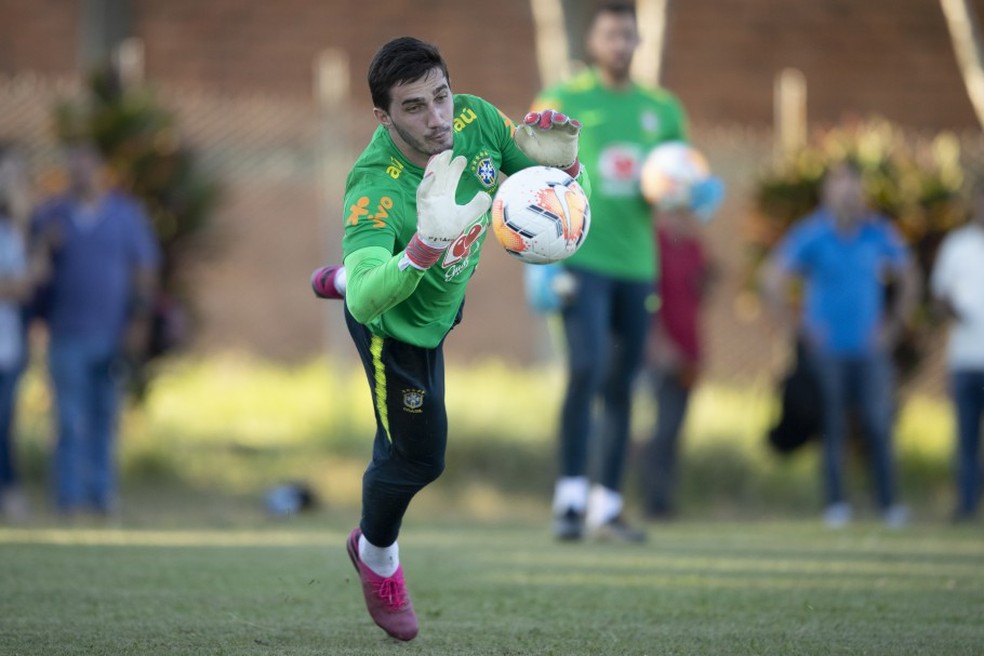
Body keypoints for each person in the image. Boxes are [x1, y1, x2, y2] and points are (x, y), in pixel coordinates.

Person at [308, 37, 586, 641]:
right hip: (395, 327)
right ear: (383, 116)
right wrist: (425, 246)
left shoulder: (476, 118)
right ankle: (375, 553)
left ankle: (338, 271)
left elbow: (546, 200)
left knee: (373, 280)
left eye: (440, 96)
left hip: (440, 304)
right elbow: (366, 301)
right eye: (413, 108)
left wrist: (564, 169)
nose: (436, 119)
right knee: (419, 456)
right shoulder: (374, 187)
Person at [529, 1, 689, 542]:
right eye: (610, 35)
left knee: (624, 381)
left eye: (628, 35)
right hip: (582, 260)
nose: (619, 44)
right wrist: (541, 260)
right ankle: (569, 499)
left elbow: (681, 179)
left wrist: (694, 191)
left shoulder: (661, 109)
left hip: (637, 265)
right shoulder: (563, 100)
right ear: (593, 43)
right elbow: (528, 167)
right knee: (587, 367)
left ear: (638, 41)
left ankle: (608, 506)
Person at [762, 161, 919, 528]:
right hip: (827, 351)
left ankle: (888, 505)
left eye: (854, 187)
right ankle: (836, 505)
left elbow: (910, 277)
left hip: (870, 350)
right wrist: (796, 328)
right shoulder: (811, 234)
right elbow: (772, 280)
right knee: (832, 427)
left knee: (878, 425)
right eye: (840, 186)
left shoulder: (879, 233)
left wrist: (893, 327)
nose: (848, 194)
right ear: (827, 192)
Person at [31, 141, 161, 519]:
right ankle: (68, 500)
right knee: (69, 420)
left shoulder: (125, 215)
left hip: (112, 335)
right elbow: (34, 273)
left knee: (105, 417)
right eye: (74, 166)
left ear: (100, 169)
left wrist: (138, 322)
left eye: (87, 165)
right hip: (65, 333)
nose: (80, 173)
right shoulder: (51, 216)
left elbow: (144, 269)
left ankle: (102, 497)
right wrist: (45, 245)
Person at [642, 204, 713, 520]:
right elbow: (648, 299)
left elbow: (699, 295)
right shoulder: (652, 245)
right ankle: (653, 500)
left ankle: (666, 499)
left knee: (675, 430)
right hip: (660, 353)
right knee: (659, 428)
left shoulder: (695, 248)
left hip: (688, 352)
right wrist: (658, 345)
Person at [930, 180, 984, 522]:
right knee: (966, 441)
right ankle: (966, 506)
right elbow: (939, 298)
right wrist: (949, 306)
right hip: (965, 360)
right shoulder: (957, 245)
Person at [0, 143, 45, 521]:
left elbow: (33, 281)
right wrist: (22, 281)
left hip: (10, 345)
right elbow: (17, 285)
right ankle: (10, 494)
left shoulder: (21, 230)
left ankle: (11, 493)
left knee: (5, 422)